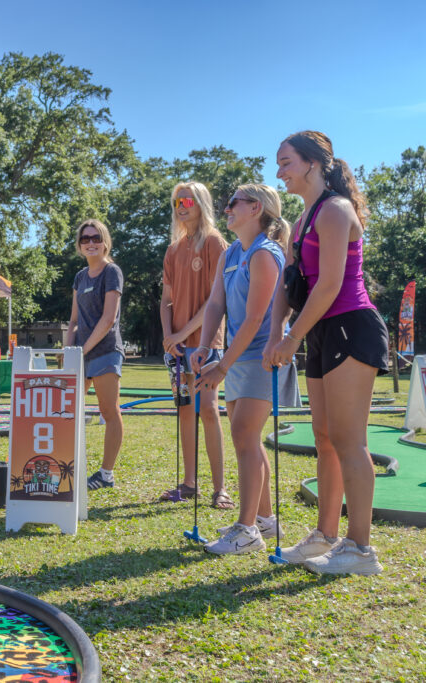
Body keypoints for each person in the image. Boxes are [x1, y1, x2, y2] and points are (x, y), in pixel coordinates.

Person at [265, 131, 388, 575]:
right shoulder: (300, 221)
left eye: (286, 162)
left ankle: (360, 549)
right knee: (324, 438)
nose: (279, 172)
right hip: (318, 329)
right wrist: (277, 330)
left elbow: (331, 284)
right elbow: (290, 285)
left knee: (349, 440)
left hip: (350, 327)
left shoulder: (335, 210)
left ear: (313, 164)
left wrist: (293, 337)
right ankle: (326, 535)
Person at [191, 184, 301, 555]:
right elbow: (214, 305)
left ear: (255, 208)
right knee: (248, 439)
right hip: (237, 358)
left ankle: (247, 528)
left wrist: (222, 365)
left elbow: (257, 317)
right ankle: (265, 519)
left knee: (242, 435)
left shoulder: (265, 254)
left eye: (232, 203)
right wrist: (205, 347)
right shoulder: (231, 253)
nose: (226, 209)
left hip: (261, 357)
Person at [158, 182, 231, 509]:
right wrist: (168, 336)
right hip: (176, 348)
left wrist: (183, 333)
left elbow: (217, 301)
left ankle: (220, 490)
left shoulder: (215, 242)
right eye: (176, 201)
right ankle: (189, 484)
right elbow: (166, 302)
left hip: (205, 343)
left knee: (209, 411)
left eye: (187, 200)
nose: (181, 206)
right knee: (185, 411)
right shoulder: (173, 249)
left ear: (201, 203)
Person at [64, 220, 125, 490]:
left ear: (105, 241)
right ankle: (66, 467)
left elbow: (109, 318)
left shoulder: (111, 272)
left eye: (96, 237)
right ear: (79, 245)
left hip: (105, 350)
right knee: (69, 412)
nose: (90, 243)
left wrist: (82, 350)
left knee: (108, 410)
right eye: (85, 239)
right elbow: (74, 320)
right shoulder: (79, 277)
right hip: (80, 353)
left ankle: (106, 474)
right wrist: (69, 349)